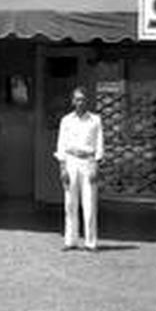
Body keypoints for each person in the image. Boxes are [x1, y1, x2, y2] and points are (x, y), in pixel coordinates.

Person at [54, 86, 104, 251]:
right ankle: (71, 240)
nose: (80, 102)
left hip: (88, 162)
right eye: (77, 99)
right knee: (70, 203)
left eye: (82, 99)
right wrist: (62, 168)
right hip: (71, 162)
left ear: (87, 100)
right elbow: (61, 144)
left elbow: (99, 144)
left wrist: (96, 165)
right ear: (72, 101)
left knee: (89, 204)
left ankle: (91, 242)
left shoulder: (95, 120)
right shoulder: (66, 120)